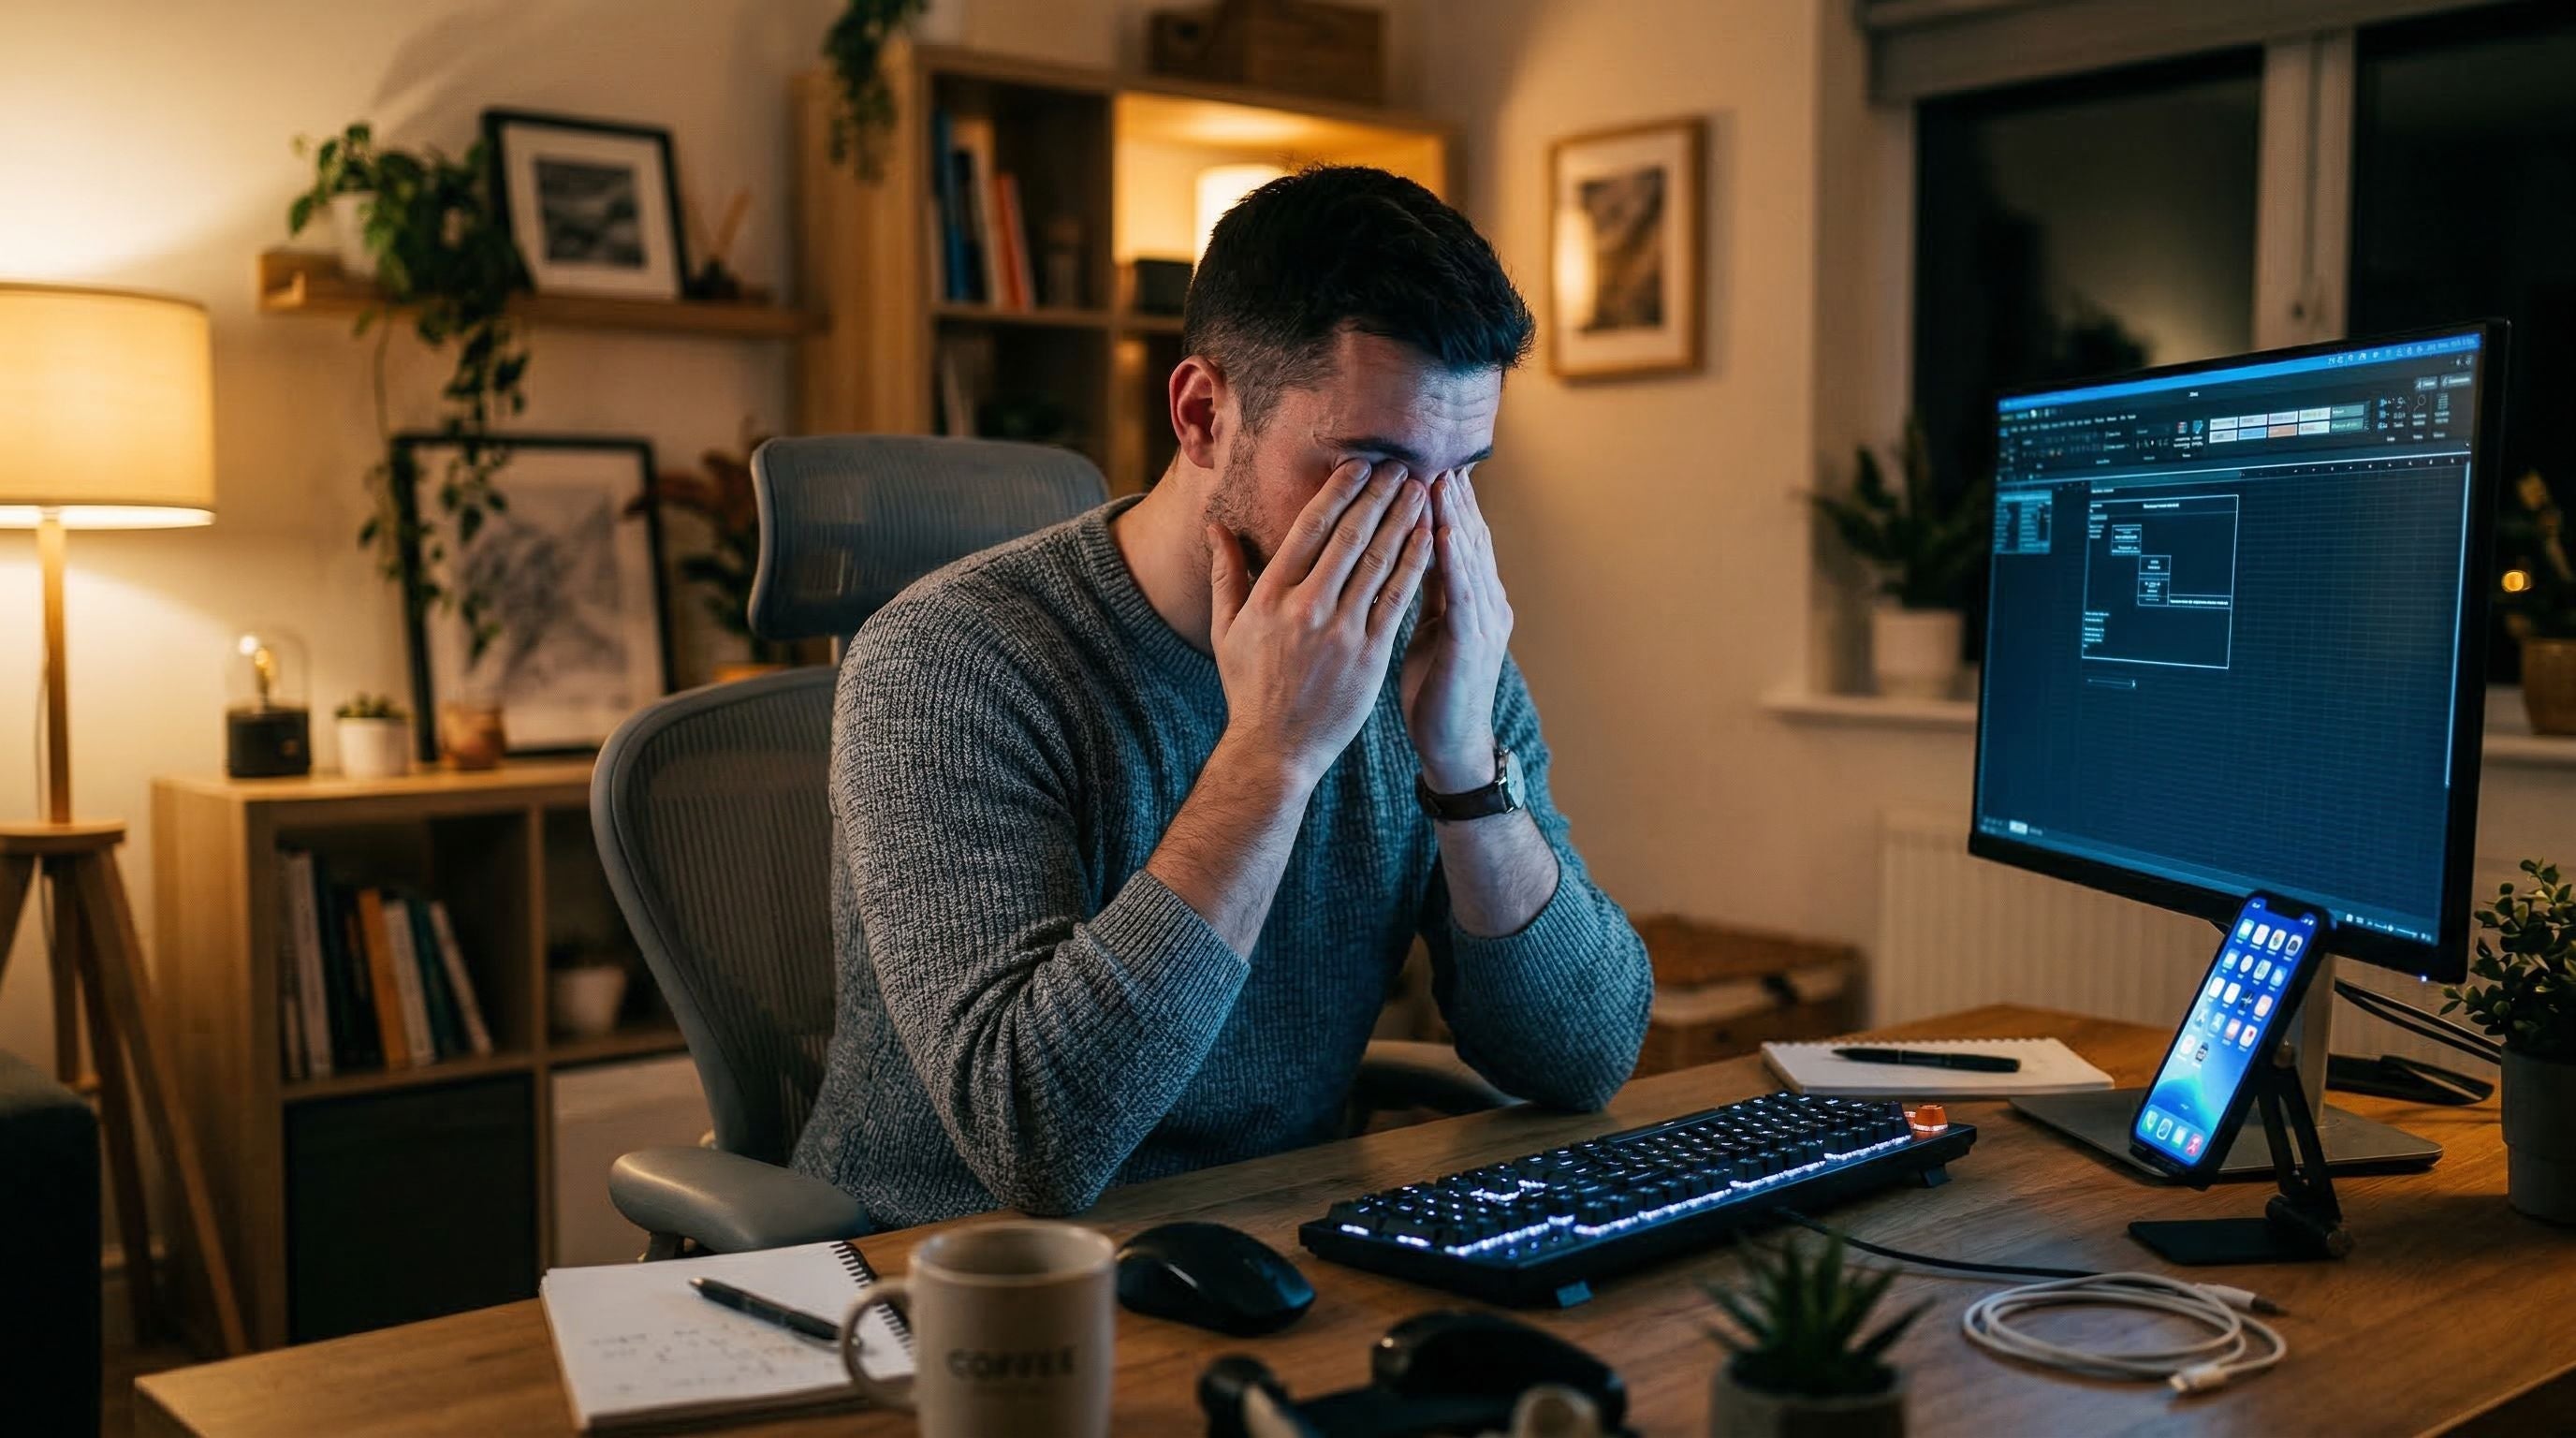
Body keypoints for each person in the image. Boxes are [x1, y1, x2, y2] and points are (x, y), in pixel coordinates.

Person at [792, 166, 1652, 1226]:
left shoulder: (1427, 651)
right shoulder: (950, 660)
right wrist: (1270, 757)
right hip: (956, 1276)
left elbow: (1588, 1056)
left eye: (1460, 470)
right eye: (1370, 465)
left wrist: (1466, 767)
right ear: (1202, 414)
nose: (1422, 532)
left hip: (1280, 1242)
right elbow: (1034, 1142)